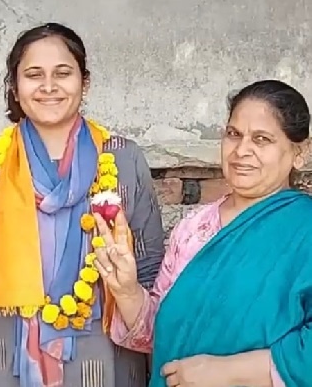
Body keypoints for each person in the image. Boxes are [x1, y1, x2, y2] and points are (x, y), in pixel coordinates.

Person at [0, 23, 165, 386]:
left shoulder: (123, 160)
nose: (48, 86)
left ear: (84, 83)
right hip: (10, 364)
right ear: (15, 86)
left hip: (105, 364)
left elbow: (150, 275)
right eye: (33, 75)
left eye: (63, 73)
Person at [103, 80, 312, 387]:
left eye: (262, 139)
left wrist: (229, 371)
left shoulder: (304, 230)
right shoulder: (194, 229)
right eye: (233, 134)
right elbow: (163, 336)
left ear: (299, 152)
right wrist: (126, 291)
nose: (242, 150)